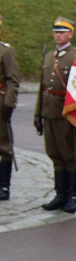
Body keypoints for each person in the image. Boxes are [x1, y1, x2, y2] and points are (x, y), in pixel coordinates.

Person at [34, 17, 76, 213]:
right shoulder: (49, 55)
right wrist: (38, 113)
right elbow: (42, 87)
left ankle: (72, 194)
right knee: (54, 153)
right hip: (49, 111)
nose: (58, 35)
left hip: (67, 112)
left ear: (71, 34)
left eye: (62, 31)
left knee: (69, 154)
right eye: (56, 31)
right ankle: (60, 193)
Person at [0, 15, 20, 201]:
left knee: (3, 145)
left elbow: (13, 80)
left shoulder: (6, 51)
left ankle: (4, 185)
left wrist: (8, 103)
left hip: (0, 104)